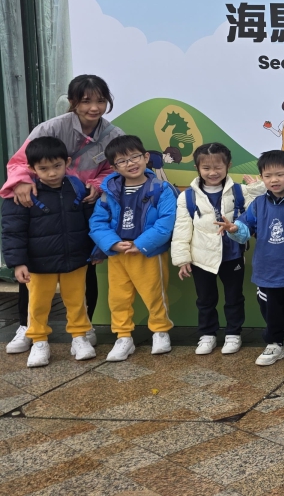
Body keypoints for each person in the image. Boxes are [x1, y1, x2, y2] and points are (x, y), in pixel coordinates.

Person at [3, 74, 122, 354]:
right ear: (72, 102)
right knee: (34, 268)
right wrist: (21, 182)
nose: (94, 107)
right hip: (44, 203)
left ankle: (84, 327)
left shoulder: (113, 135)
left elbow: (113, 168)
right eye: (86, 101)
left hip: (80, 204)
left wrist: (96, 184)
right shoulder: (50, 128)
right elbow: (20, 162)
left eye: (100, 100)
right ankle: (26, 326)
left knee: (84, 265)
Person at [1, 137, 98, 367]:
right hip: (39, 263)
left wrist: (96, 250)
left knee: (77, 300)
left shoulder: (78, 187)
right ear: (31, 168)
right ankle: (39, 341)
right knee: (38, 304)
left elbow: (92, 222)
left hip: (76, 259)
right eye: (43, 168)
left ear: (67, 162)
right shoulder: (23, 194)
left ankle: (79, 337)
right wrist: (18, 262)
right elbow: (12, 231)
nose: (52, 173)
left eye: (57, 166)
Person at [221, 150, 284, 367]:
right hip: (267, 271)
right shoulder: (257, 204)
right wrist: (234, 229)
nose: (274, 180)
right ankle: (274, 344)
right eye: (268, 176)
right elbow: (245, 230)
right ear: (262, 177)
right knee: (270, 311)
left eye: (280, 174)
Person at [89, 135, 177, 362]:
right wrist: (112, 243)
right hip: (118, 253)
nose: (130, 163)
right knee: (118, 298)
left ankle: (160, 331)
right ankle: (123, 336)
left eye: (134, 157)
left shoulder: (160, 188)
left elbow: (166, 221)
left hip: (148, 252)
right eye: (122, 161)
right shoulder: (109, 192)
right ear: (114, 167)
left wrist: (141, 244)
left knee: (155, 294)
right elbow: (97, 222)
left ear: (146, 157)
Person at [172, 143, 266, 356]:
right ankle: (207, 335)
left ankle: (233, 334)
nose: (212, 172)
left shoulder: (240, 191)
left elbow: (258, 209)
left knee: (234, 298)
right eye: (206, 168)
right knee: (205, 299)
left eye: (218, 167)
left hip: (232, 255)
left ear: (228, 166)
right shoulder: (187, 197)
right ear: (197, 168)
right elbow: (182, 229)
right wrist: (182, 259)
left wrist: (257, 188)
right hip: (201, 258)